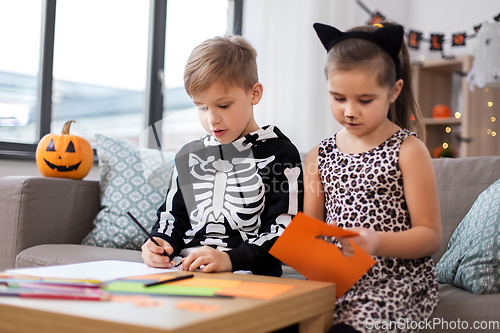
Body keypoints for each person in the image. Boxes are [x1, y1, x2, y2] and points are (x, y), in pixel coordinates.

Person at [304, 22, 441, 333]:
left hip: (394, 285)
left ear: (394, 91)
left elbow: (430, 235)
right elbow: (313, 234)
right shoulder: (318, 155)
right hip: (335, 282)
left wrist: (377, 242)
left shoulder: (408, 150)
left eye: (364, 100)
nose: (350, 111)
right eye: (338, 98)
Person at [142, 35, 303, 277]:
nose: (212, 119)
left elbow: (284, 231)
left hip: (248, 273)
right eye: (202, 107)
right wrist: (159, 241)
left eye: (224, 105)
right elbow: (173, 216)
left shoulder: (280, 154)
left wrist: (231, 259)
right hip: (183, 270)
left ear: (254, 94)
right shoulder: (189, 155)